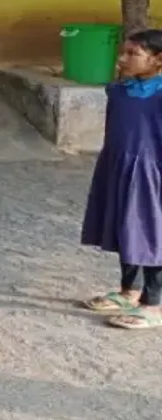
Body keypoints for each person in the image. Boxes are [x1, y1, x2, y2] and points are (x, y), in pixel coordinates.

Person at [81, 29, 162, 330]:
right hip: (118, 166)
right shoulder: (118, 91)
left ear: (158, 59)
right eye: (124, 52)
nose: (122, 59)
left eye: (133, 54)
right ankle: (131, 290)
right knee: (125, 228)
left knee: (152, 235)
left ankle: (153, 304)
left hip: (152, 172)